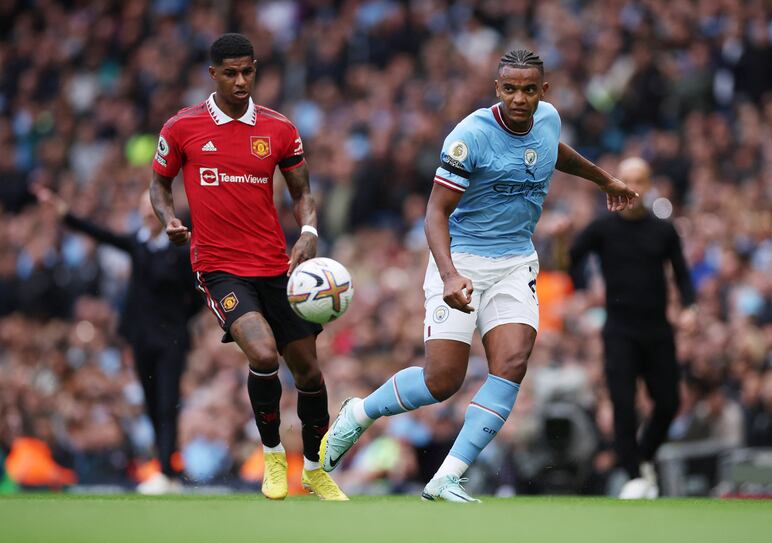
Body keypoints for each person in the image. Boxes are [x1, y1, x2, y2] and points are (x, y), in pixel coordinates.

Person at [320, 49, 638, 502]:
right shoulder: (470, 136)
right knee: (441, 381)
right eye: (510, 89)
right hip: (462, 260)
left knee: (510, 364)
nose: (520, 98)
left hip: (514, 263)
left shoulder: (548, 119)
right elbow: (435, 211)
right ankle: (359, 413)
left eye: (529, 89)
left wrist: (605, 180)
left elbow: (552, 153)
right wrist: (449, 275)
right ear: (497, 89)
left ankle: (449, 474)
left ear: (543, 91)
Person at [149, 33, 346, 501]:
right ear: (213, 74)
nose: (241, 81)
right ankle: (274, 457)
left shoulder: (279, 128)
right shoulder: (182, 127)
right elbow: (159, 185)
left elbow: (303, 194)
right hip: (218, 266)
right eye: (231, 73)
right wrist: (169, 218)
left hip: (275, 266)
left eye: (248, 71)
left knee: (311, 376)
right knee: (261, 355)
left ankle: (315, 468)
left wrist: (309, 232)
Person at [34, 187, 199, 494]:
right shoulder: (138, 244)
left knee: (166, 403)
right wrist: (64, 213)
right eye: (144, 209)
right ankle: (170, 467)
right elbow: (101, 233)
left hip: (171, 339)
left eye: (153, 210)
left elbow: (197, 293)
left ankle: (165, 470)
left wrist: (179, 320)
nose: (148, 215)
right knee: (151, 401)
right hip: (141, 339)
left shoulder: (179, 250)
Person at [568, 157, 696, 499]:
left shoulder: (663, 230)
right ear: (614, 183)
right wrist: (580, 292)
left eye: (639, 180)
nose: (632, 187)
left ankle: (643, 457)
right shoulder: (602, 228)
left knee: (668, 403)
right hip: (620, 331)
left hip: (657, 330)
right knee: (623, 405)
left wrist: (690, 308)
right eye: (625, 179)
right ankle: (634, 475)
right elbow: (570, 261)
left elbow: (682, 274)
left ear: (650, 183)